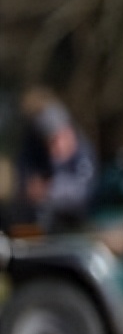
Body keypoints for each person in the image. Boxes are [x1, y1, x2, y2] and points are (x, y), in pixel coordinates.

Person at [9, 87, 98, 233]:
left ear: (68, 131)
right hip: (37, 225)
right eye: (49, 142)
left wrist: (49, 191)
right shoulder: (33, 148)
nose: (55, 148)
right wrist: (29, 187)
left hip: (75, 224)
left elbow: (85, 191)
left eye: (58, 139)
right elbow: (23, 177)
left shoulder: (83, 151)